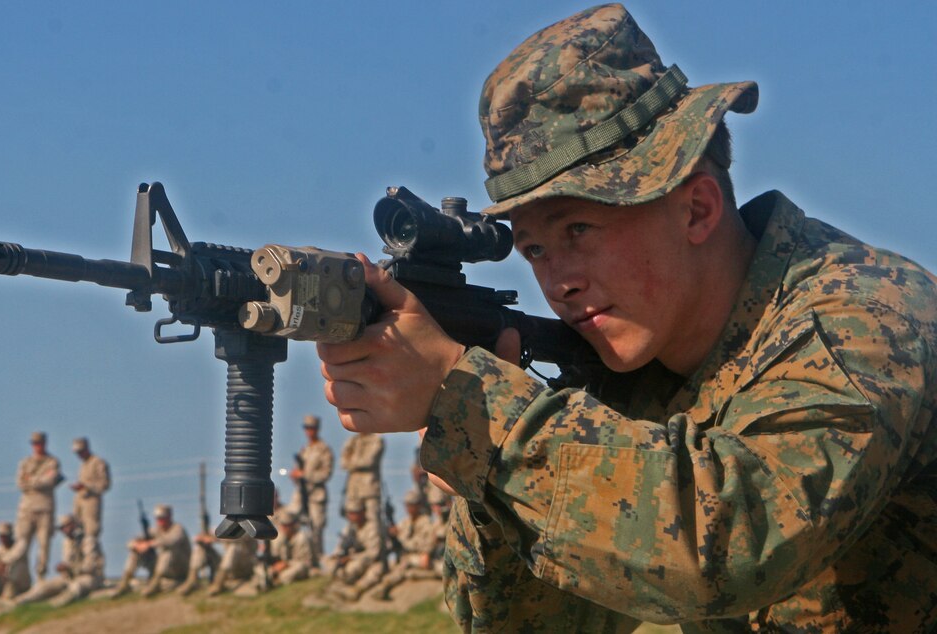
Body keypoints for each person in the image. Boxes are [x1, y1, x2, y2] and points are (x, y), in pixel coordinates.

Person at [315, 4, 937, 632]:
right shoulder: (631, 371)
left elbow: (729, 548)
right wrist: (486, 471)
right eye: (533, 250)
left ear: (696, 209)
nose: (559, 282)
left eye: (579, 229)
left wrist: (483, 413)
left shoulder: (865, 314)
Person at [7, 514, 105, 608]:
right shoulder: (67, 543)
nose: (64, 531)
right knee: (44, 587)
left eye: (66, 527)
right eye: (62, 528)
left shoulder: (88, 541)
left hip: (89, 578)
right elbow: (67, 562)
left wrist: (70, 567)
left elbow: (91, 566)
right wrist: (64, 568)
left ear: (73, 525)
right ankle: (19, 602)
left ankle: (55, 605)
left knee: (76, 587)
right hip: (69, 577)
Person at [369, 489, 439, 600]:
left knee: (406, 562)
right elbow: (397, 539)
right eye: (407, 505)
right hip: (405, 556)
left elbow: (426, 544)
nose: (409, 508)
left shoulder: (426, 522)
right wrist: (392, 534)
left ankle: (385, 586)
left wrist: (400, 538)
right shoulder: (406, 522)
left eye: (412, 505)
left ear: (418, 505)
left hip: (420, 557)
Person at [112, 503, 191, 598]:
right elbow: (131, 542)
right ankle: (125, 582)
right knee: (135, 552)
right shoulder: (155, 530)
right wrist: (137, 545)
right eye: (158, 518)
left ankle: (156, 583)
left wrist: (149, 544)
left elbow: (169, 541)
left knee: (168, 551)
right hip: (163, 568)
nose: (160, 521)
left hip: (179, 567)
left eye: (162, 518)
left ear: (169, 517)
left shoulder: (178, 529)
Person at [15, 430, 64, 581]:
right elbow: (21, 483)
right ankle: (22, 579)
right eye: (34, 443)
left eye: (40, 443)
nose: (37, 446)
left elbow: (50, 481)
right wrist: (40, 479)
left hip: (45, 508)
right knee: (21, 545)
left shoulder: (52, 462)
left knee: (43, 546)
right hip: (26, 509)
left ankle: (41, 576)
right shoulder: (25, 463)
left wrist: (32, 480)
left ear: (45, 443)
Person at [289, 414, 334, 555]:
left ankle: (317, 560)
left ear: (317, 429)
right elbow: (297, 471)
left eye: (312, 428)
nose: (309, 431)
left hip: (316, 495)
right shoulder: (305, 450)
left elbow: (326, 474)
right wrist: (295, 475)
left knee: (316, 528)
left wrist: (305, 475)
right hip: (301, 493)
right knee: (289, 519)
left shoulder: (324, 449)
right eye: (307, 428)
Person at [326, 499, 385, 602]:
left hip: (367, 561)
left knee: (355, 568)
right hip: (349, 559)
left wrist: (351, 558)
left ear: (363, 512)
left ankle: (353, 590)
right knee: (328, 563)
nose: (352, 516)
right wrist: (336, 556)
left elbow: (373, 553)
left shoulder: (372, 528)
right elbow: (341, 545)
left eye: (355, 513)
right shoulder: (349, 528)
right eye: (350, 513)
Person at [251, 510, 315, 592]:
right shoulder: (279, 538)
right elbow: (274, 556)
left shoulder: (301, 538)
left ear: (293, 525)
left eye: (287, 525)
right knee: (260, 570)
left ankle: (275, 583)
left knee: (287, 575)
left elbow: (306, 562)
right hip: (279, 566)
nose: (284, 528)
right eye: (283, 525)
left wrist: (286, 564)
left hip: (296, 566)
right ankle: (265, 583)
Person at [69, 436, 110, 561]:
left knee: (91, 537)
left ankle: (94, 566)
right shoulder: (83, 465)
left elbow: (105, 484)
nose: (79, 455)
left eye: (80, 451)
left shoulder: (98, 462)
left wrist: (86, 487)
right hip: (80, 504)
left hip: (92, 504)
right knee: (78, 535)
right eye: (77, 452)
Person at [339, 431, 384, 527]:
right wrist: (353, 462)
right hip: (353, 490)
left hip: (370, 490)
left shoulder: (377, 440)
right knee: (353, 525)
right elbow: (342, 463)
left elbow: (369, 461)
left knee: (373, 523)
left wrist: (351, 461)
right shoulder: (352, 441)